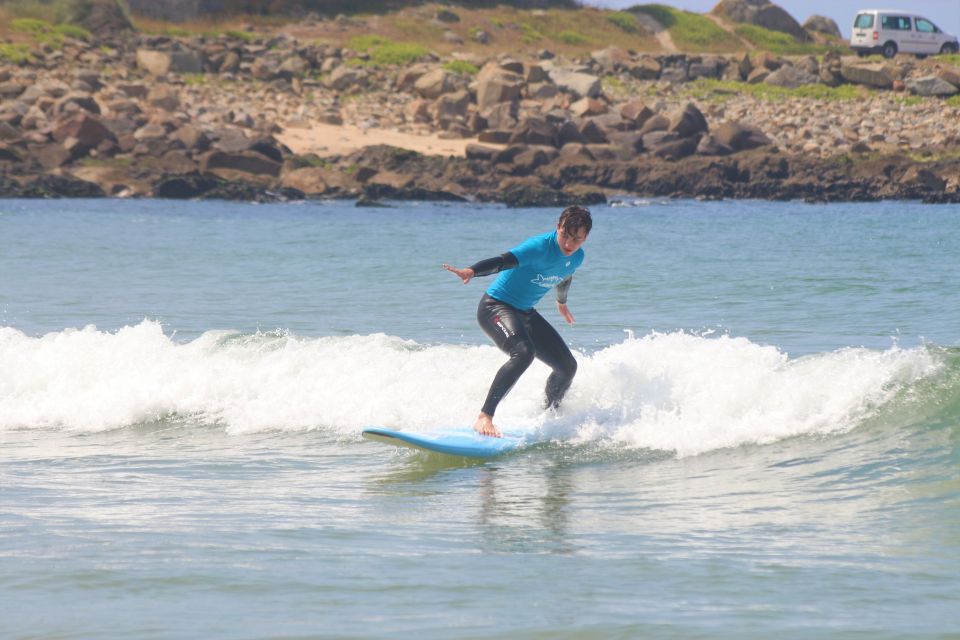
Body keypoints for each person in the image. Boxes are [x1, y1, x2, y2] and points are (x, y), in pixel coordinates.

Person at [443, 205, 592, 437]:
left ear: (585, 238)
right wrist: (472, 271)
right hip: (495, 307)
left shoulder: (577, 257)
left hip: (525, 312)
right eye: (565, 235)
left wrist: (561, 303)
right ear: (557, 227)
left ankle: (550, 415)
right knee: (523, 352)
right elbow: (503, 261)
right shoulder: (539, 247)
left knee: (567, 366)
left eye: (577, 239)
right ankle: (484, 417)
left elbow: (565, 275)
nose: (568, 244)